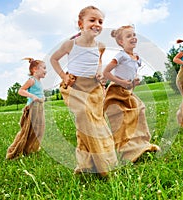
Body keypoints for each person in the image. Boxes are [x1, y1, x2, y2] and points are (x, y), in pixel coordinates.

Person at [50, 5, 117, 176]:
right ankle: (103, 166)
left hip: (93, 88)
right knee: (83, 115)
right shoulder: (71, 44)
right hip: (74, 87)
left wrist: (99, 73)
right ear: (81, 24)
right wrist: (63, 76)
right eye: (92, 20)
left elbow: (99, 62)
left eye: (100, 21)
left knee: (92, 125)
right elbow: (54, 59)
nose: (97, 24)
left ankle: (87, 165)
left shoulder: (100, 46)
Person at [103, 25, 161, 163]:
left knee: (139, 111)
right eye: (128, 36)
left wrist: (135, 81)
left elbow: (132, 74)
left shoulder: (137, 58)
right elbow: (106, 72)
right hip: (116, 90)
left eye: (134, 35)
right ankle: (127, 151)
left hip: (128, 91)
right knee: (123, 117)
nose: (133, 38)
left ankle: (141, 145)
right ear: (121, 42)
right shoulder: (120, 56)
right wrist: (122, 82)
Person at [6, 58, 47, 159]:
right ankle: (14, 151)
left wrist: (42, 98)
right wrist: (32, 96)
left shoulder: (38, 81)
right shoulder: (31, 80)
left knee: (38, 129)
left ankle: (30, 149)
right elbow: (20, 91)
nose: (46, 71)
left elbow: (39, 93)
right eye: (44, 68)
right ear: (35, 70)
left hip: (39, 108)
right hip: (32, 108)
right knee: (27, 130)